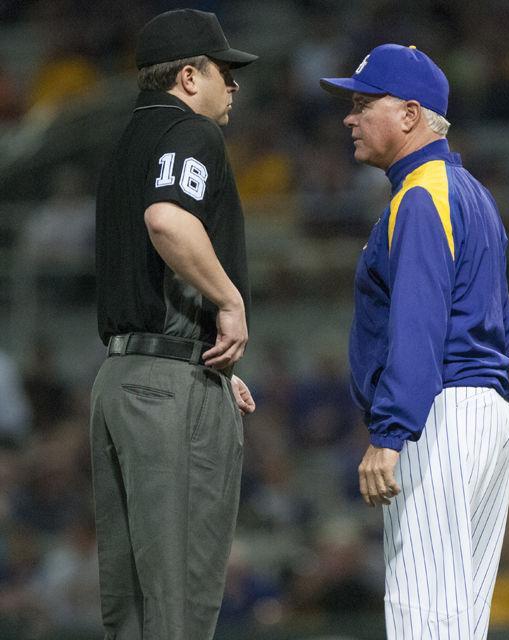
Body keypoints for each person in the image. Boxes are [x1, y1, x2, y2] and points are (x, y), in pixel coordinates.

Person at [320, 44, 509, 639]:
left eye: (362, 104)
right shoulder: (472, 193)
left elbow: (418, 322)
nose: (349, 118)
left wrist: (390, 432)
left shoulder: (423, 194)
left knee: (422, 612)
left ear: (410, 114)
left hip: (440, 415)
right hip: (486, 413)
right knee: (457, 620)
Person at [90, 9, 257, 639]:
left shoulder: (124, 143)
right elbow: (169, 220)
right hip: (168, 393)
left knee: (131, 613)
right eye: (225, 71)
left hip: (119, 379)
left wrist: (205, 354)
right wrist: (229, 304)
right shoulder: (192, 135)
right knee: (179, 611)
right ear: (189, 77)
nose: (234, 85)